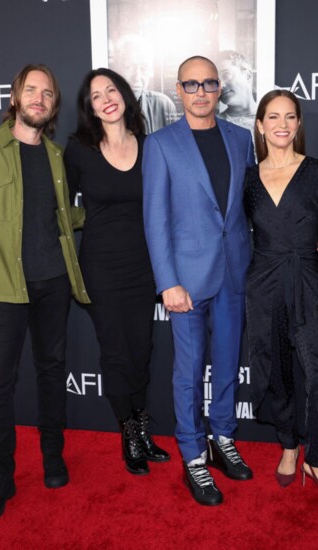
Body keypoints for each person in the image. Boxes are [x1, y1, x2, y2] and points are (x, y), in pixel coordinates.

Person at [0, 64, 90, 521]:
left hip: (52, 282)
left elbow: (65, 217)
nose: (39, 98)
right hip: (0, 285)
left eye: (48, 92)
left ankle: (52, 456)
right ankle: (0, 478)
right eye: (32, 90)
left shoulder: (59, 157)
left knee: (52, 371)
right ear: (15, 96)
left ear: (53, 106)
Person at [143, 55, 254, 506]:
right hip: (185, 280)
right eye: (192, 84)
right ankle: (193, 454)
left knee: (226, 362)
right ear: (178, 90)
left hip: (234, 270)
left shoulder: (241, 138)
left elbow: (246, 208)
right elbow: (155, 220)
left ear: (218, 89)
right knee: (188, 373)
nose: (202, 92)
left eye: (209, 83)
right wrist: (168, 281)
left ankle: (222, 437)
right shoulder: (162, 144)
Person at [63, 68, 170, 476]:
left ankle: (143, 428)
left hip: (145, 266)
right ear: (89, 108)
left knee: (141, 348)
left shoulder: (150, 146)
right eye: (96, 96)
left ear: (124, 95)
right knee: (117, 353)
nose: (106, 98)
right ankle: (128, 434)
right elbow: (61, 206)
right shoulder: (78, 150)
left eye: (111, 90)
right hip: (101, 268)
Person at [244, 89, 318, 488]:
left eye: (290, 117)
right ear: (260, 125)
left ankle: (316, 453)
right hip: (265, 281)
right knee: (280, 368)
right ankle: (289, 446)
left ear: (298, 123)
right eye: (273, 117)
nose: (282, 125)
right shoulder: (249, 179)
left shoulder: (315, 171)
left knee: (317, 366)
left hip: (309, 277)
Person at [110, 34, 177, 133]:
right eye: (128, 67)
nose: (136, 76)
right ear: (115, 69)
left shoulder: (163, 105)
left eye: (144, 68)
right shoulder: (104, 107)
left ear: (151, 71)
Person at [217, 50, 257, 132]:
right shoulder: (215, 126)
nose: (220, 86)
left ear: (248, 76)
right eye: (215, 82)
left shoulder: (274, 118)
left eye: (226, 75)